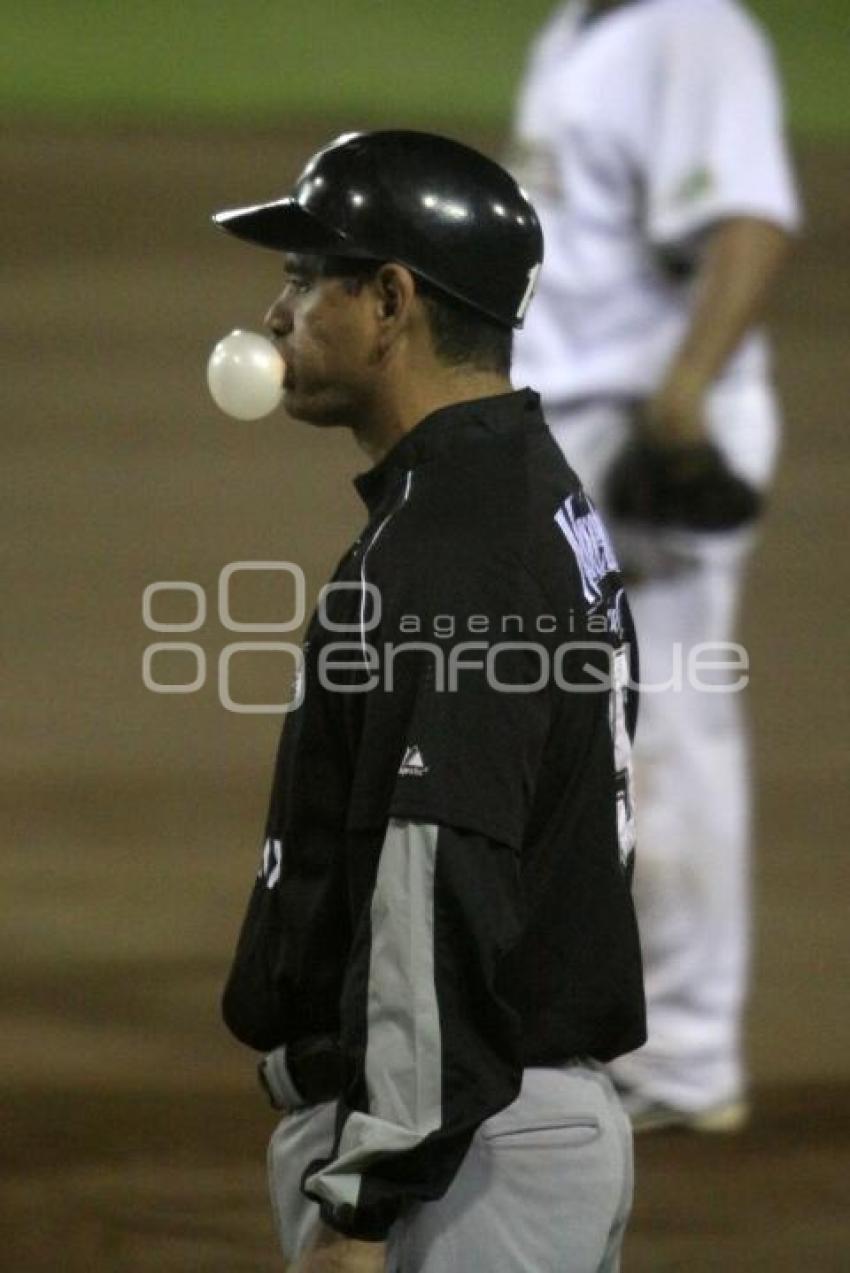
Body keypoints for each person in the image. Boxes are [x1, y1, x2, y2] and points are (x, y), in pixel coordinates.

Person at [213, 129, 646, 1272]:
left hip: (463, 1168)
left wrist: (365, 1203)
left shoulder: (456, 547)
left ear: (391, 299)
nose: (276, 315)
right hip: (501, 1131)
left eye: (307, 279)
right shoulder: (517, 487)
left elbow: (437, 873)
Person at [508, 0, 801, 1131]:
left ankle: (683, 1054)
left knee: (668, 729)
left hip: (644, 429)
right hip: (570, 421)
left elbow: (750, 223)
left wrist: (680, 398)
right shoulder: (582, 27)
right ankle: (599, 1012)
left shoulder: (692, 28)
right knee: (572, 725)